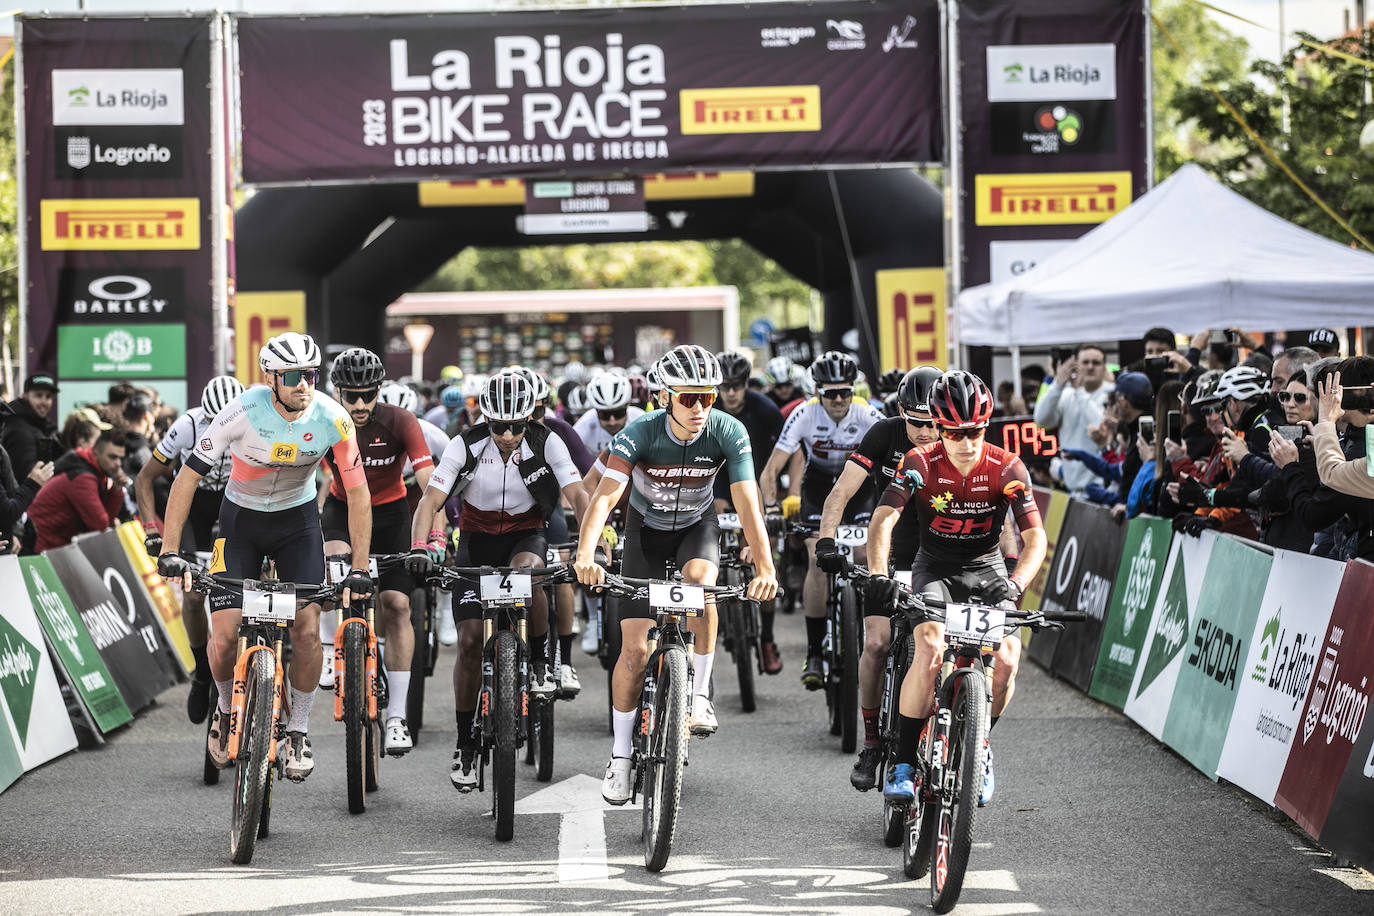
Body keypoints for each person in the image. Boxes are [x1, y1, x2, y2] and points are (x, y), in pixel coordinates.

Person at [156, 332, 374, 782]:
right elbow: (185, 480)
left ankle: (297, 730)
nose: (304, 384)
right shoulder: (240, 411)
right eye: (293, 376)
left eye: (311, 375)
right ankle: (222, 707)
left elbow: (357, 494)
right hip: (239, 523)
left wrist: (358, 567)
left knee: (309, 630)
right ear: (270, 378)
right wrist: (170, 550)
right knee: (224, 634)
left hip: (298, 525)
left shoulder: (333, 418)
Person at [572, 345, 778, 805]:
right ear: (666, 397)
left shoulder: (728, 430)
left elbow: (747, 502)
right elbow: (603, 499)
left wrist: (765, 566)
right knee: (632, 651)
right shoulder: (639, 432)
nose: (701, 408)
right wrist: (586, 554)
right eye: (688, 399)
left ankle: (700, 693)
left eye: (707, 397)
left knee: (700, 586)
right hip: (644, 533)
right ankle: (621, 756)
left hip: (695, 528)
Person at [867, 370, 1046, 808]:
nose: (966, 444)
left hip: (987, 573)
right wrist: (878, 574)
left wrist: (1016, 585)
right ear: (940, 429)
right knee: (929, 649)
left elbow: (1035, 538)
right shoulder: (920, 463)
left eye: (975, 432)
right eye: (954, 433)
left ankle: (979, 746)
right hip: (935, 570)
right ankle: (904, 762)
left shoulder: (1007, 467)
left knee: (1005, 659)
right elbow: (884, 519)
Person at [405, 372, 588, 791]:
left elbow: (577, 492)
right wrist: (419, 545)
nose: (507, 435)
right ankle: (465, 744)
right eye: (497, 426)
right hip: (475, 541)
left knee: (531, 577)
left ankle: (542, 664)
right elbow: (431, 499)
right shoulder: (465, 445)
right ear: (484, 419)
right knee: (469, 642)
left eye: (516, 426)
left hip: (526, 534)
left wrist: (589, 540)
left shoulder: (546, 442)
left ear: (530, 420)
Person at [813, 366, 943, 790]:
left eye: (934, 423)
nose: (926, 432)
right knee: (876, 641)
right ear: (901, 412)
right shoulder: (884, 435)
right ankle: (871, 741)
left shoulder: (956, 441)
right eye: (917, 423)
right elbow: (841, 492)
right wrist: (827, 540)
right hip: (887, 549)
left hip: (937, 556)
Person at [320, 348, 441, 755]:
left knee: (397, 606)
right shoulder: (325, 419)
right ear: (337, 392)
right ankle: (327, 650)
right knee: (332, 566)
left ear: (378, 392)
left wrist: (435, 537)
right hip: (341, 508)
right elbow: (303, 479)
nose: (358, 404)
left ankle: (397, 718)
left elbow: (430, 485)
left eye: (366, 395)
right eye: (350, 396)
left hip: (391, 514)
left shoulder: (400, 421)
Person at [759, 350, 883, 689]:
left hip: (860, 491)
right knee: (816, 559)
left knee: (862, 556)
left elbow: (896, 459)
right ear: (818, 393)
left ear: (854, 390)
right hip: (818, 490)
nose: (839, 399)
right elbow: (771, 470)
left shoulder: (869, 414)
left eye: (845, 391)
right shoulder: (804, 414)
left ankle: (865, 628)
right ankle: (814, 650)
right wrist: (771, 507)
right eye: (831, 393)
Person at [136, 374, 243, 724]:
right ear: (203, 417)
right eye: (213, 422)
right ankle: (201, 671)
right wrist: (153, 531)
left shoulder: (256, 422)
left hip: (234, 505)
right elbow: (145, 478)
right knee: (195, 594)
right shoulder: (186, 426)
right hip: (193, 506)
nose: (220, 429)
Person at [712, 350, 786, 671]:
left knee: (763, 556)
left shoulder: (766, 410)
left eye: (737, 385)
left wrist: (774, 493)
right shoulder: (707, 408)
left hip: (753, 477)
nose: (730, 393)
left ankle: (767, 639)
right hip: (715, 479)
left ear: (747, 384)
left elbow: (787, 450)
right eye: (724, 386)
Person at [28, 428, 127, 552]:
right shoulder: (83, 478)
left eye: (121, 458)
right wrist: (115, 494)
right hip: (39, 547)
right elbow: (100, 526)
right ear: (95, 453)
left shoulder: (93, 471)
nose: (118, 464)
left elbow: (104, 524)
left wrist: (116, 490)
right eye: (112, 457)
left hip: (51, 545)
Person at [1033, 344, 1112, 494]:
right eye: (1085, 362)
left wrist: (1080, 391)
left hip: (1103, 489)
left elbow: (1100, 427)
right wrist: (1057, 384)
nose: (1090, 367)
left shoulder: (1111, 392)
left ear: (1104, 367)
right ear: (1076, 365)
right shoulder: (1066, 393)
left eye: (1096, 363)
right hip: (1072, 490)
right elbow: (1041, 419)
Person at [3, 374, 61, 482]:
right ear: (24, 396)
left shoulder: (42, 425)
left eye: (48, 396)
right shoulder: (19, 430)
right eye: (38, 395)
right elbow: (24, 480)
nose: (44, 402)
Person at [575, 372, 644, 457]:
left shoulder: (641, 420)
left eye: (619, 413)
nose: (612, 422)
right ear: (595, 410)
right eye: (604, 415)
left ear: (628, 405)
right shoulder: (585, 423)